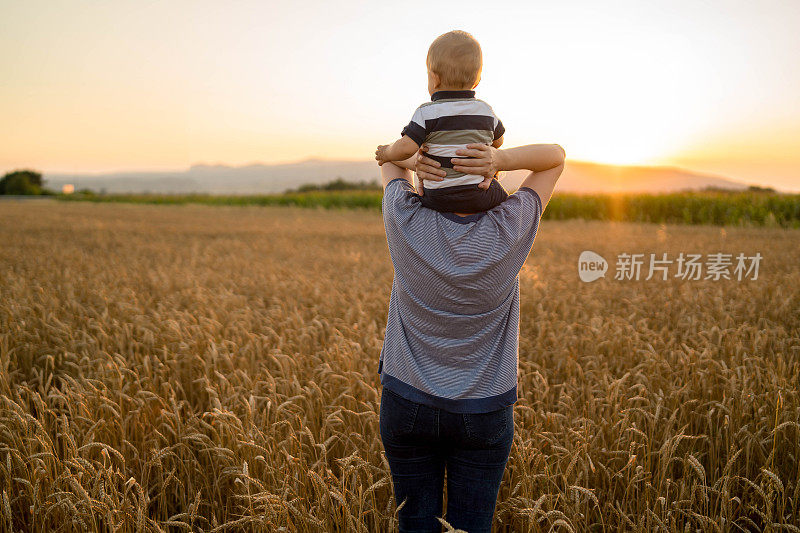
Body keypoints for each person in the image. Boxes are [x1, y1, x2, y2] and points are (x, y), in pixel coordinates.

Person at [377, 142, 565, 532]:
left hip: (407, 399)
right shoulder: (509, 226)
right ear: (488, 180)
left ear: (429, 180)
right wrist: (499, 159)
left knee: (414, 525)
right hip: (485, 408)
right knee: (471, 526)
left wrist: (418, 161)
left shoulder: (405, 218)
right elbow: (556, 157)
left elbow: (389, 159)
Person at [375, 30, 508, 214]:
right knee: (502, 195)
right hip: (479, 196)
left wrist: (386, 153)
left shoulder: (426, 112)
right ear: (476, 81)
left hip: (436, 198)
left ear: (435, 79)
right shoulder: (485, 111)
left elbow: (406, 148)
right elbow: (498, 141)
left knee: (417, 191)